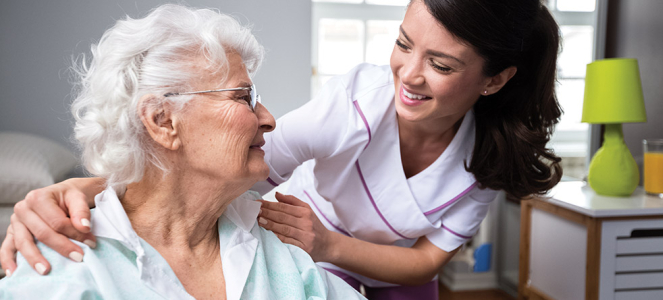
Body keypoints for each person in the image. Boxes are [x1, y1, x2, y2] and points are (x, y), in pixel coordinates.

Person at [2, 0, 563, 299]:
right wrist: (81, 187)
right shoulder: (360, 102)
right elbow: (224, 167)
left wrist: (328, 246)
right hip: (308, 237)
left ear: (493, 80)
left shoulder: (487, 160)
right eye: (402, 44)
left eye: (441, 65)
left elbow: (423, 262)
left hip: (381, 271)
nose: (409, 76)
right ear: (160, 121)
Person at [0, 4, 365, 300]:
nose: (269, 120)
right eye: (243, 97)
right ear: (162, 121)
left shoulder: (274, 250)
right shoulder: (64, 266)